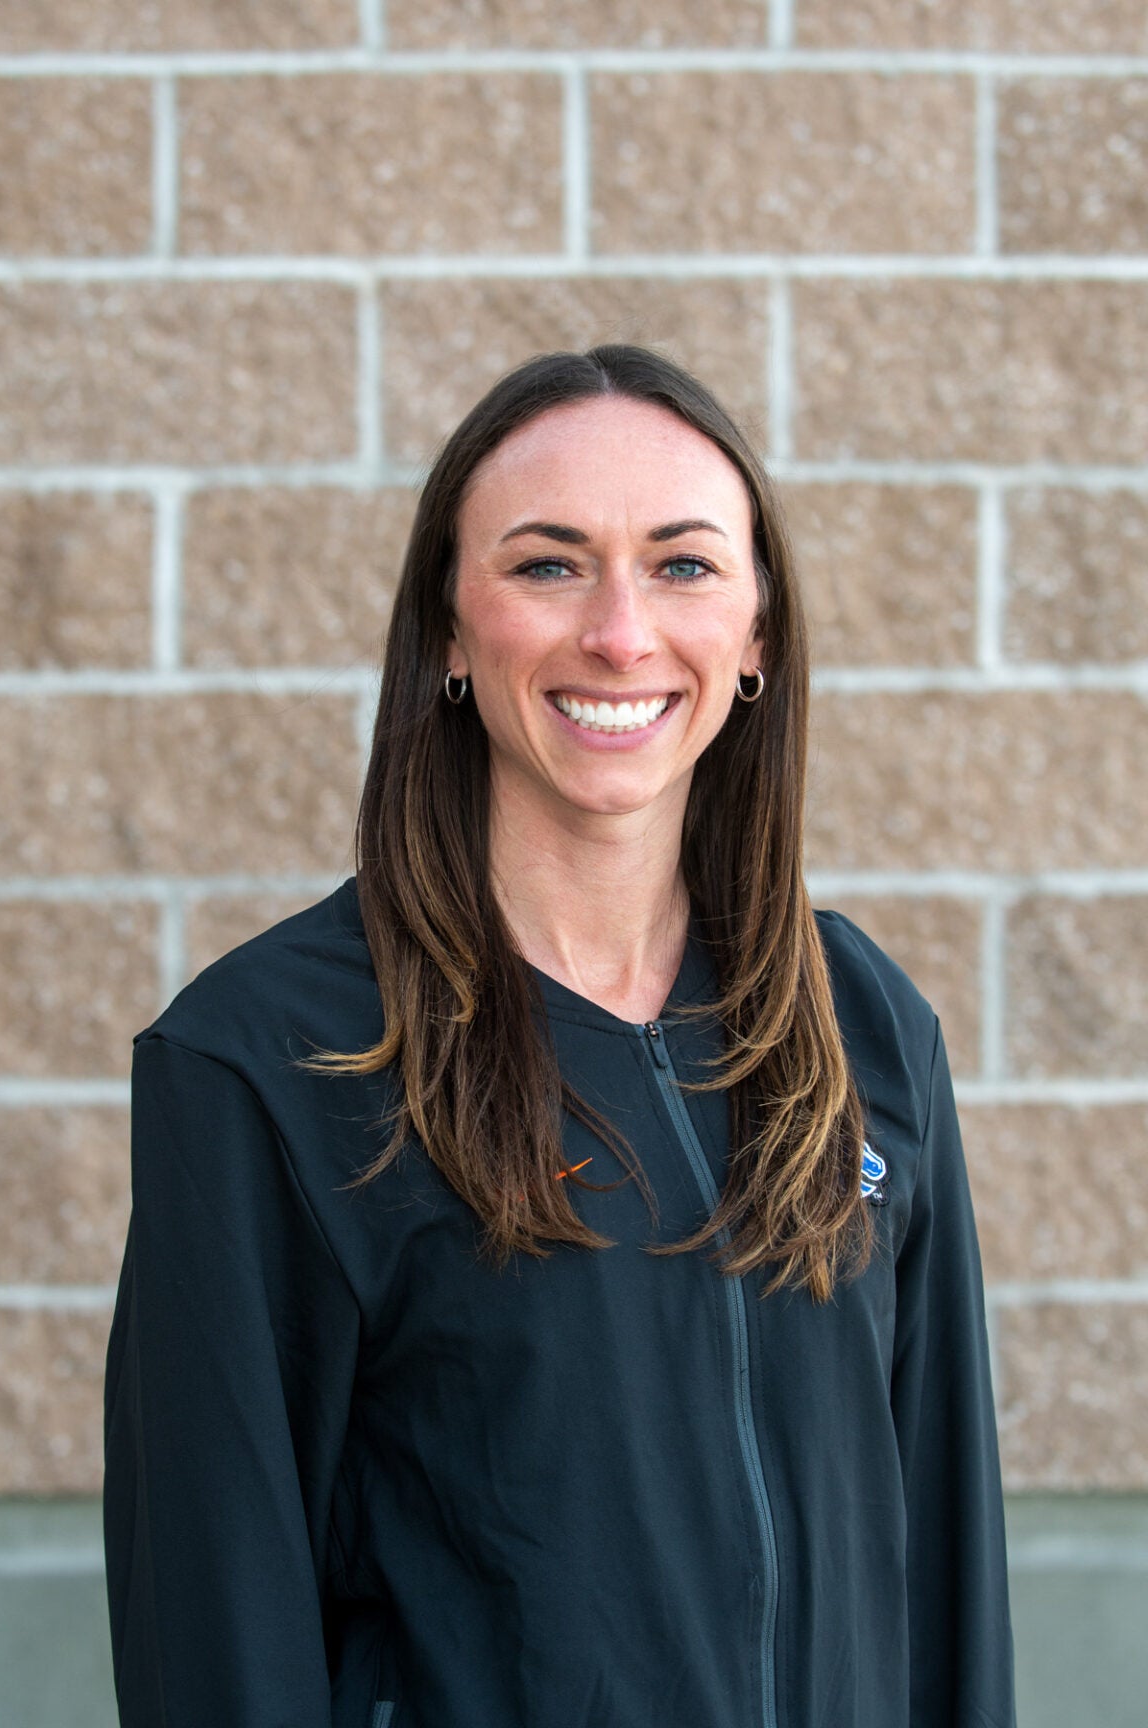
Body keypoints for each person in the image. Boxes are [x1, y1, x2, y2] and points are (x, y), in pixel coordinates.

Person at [103, 345, 1015, 1728]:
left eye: (684, 566)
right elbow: (214, 1634)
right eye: (548, 565)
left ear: (758, 634)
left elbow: (949, 1581)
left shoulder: (864, 1030)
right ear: (451, 634)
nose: (622, 634)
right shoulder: (269, 1061)